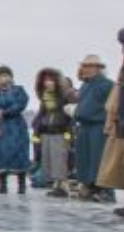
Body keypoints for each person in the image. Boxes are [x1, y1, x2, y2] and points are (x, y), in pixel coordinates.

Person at [0, 66, 32, 195]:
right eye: (1, 76)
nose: (4, 78)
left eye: (7, 75)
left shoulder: (18, 90)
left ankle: (21, 184)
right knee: (0, 154)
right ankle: (2, 185)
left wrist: (7, 112)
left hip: (15, 126)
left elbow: (21, 103)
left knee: (18, 153)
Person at [72, 54, 112, 199]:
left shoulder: (107, 85)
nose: (86, 69)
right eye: (85, 66)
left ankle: (104, 190)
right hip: (83, 126)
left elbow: (111, 106)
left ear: (98, 68)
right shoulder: (85, 85)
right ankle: (88, 186)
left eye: (90, 66)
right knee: (84, 158)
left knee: (98, 158)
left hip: (98, 126)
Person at [30, 67, 75, 194]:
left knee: (59, 159)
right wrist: (37, 132)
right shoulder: (45, 98)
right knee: (49, 159)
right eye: (45, 80)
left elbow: (70, 117)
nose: (47, 83)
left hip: (60, 131)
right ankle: (56, 184)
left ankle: (62, 185)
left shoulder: (64, 97)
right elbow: (41, 115)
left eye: (50, 80)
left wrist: (68, 132)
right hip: (47, 131)